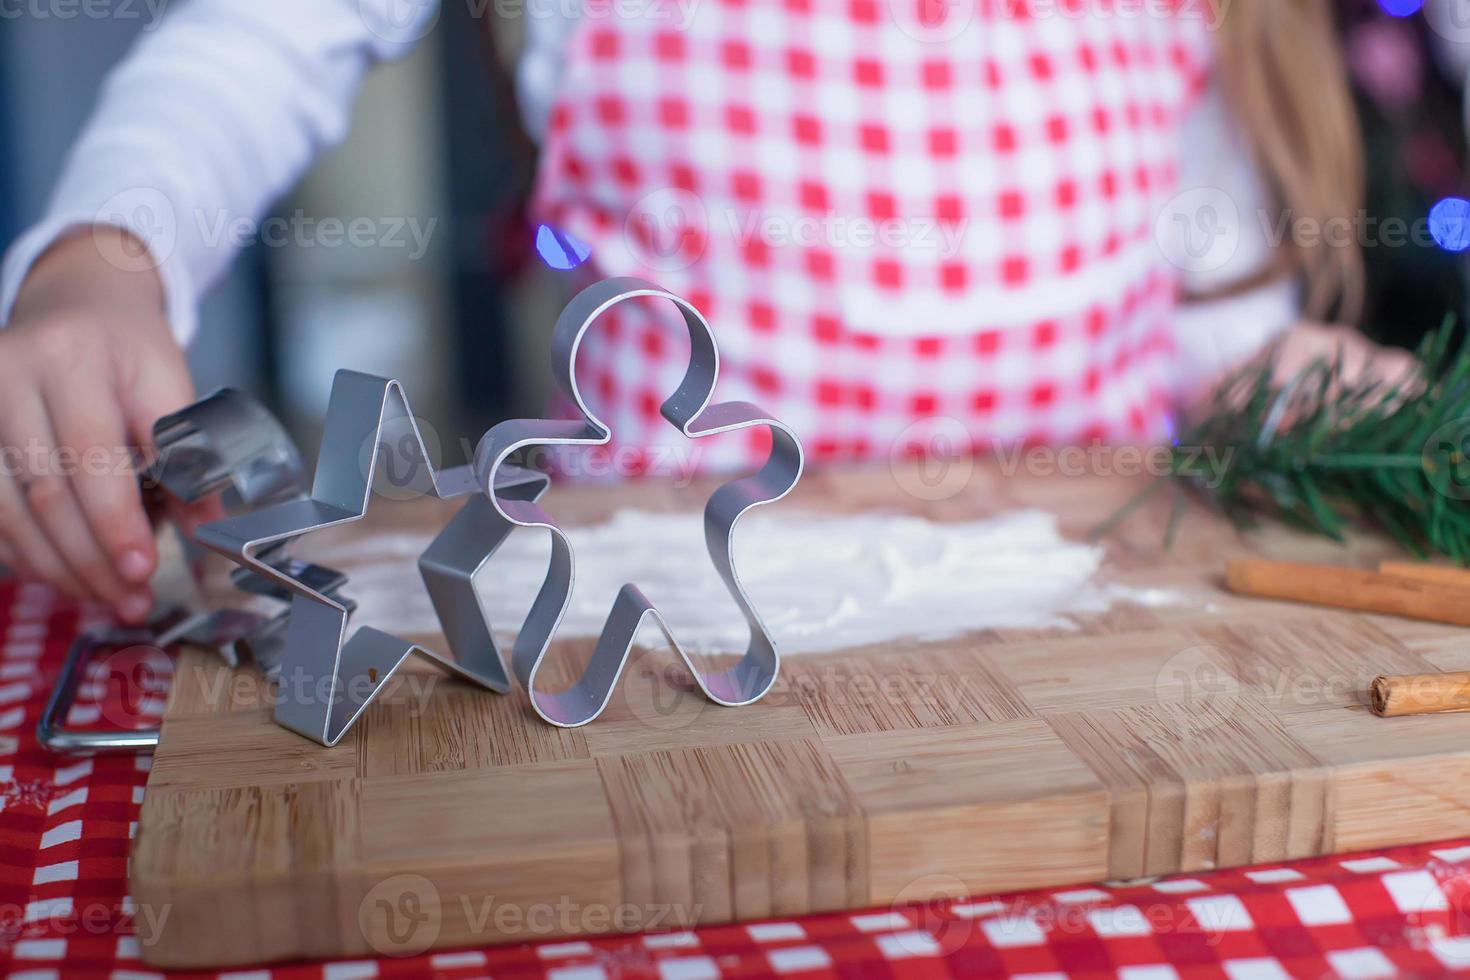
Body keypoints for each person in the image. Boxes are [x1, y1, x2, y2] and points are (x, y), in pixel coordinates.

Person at [0, 0, 1415, 623]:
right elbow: (261, 39)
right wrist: (103, 261)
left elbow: (1198, 325)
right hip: (664, 647)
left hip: (1107, 641)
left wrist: (1335, 404)